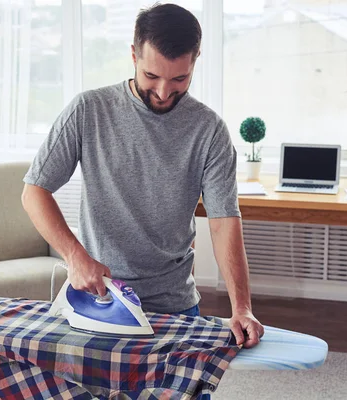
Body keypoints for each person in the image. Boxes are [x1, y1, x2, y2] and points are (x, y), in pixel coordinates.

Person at [21, 3, 264, 353]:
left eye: (179, 78)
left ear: (195, 60)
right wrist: (76, 256)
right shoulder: (88, 111)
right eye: (152, 76)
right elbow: (35, 191)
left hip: (176, 303)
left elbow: (224, 220)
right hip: (100, 295)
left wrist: (241, 307)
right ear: (133, 55)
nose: (164, 92)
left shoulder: (209, 131)